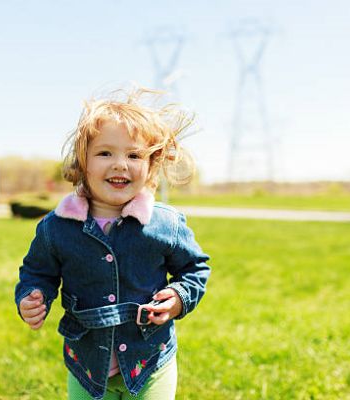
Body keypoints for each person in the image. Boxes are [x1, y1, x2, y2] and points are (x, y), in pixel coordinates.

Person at [14, 87, 211, 400]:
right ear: (83, 162)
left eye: (133, 155)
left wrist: (178, 296)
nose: (120, 164)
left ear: (150, 165)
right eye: (105, 153)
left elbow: (194, 268)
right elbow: (38, 272)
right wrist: (31, 296)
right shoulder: (57, 227)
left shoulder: (164, 224)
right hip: (87, 364)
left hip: (150, 360)